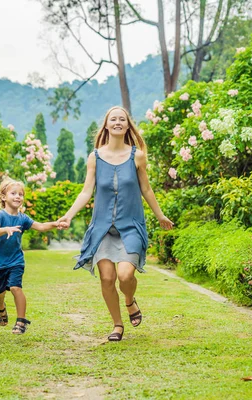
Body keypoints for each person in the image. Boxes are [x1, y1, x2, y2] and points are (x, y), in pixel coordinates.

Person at [57, 106, 174, 342]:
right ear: (107, 126)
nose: (118, 122)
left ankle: (130, 301)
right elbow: (86, 191)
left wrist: (160, 215)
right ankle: (117, 324)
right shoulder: (95, 157)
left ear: (128, 126)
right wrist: (68, 215)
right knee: (107, 278)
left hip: (130, 226)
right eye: (113, 119)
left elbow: (146, 189)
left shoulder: (137, 156)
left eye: (123, 119)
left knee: (125, 275)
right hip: (102, 229)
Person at [0, 178, 59, 334]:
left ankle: (21, 321)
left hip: (16, 261)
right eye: (13, 193)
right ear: (3, 197)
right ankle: (1, 308)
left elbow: (40, 226)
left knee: (15, 287)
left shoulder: (22, 218)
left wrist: (55, 223)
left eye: (20, 194)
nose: (18, 196)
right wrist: (6, 229)